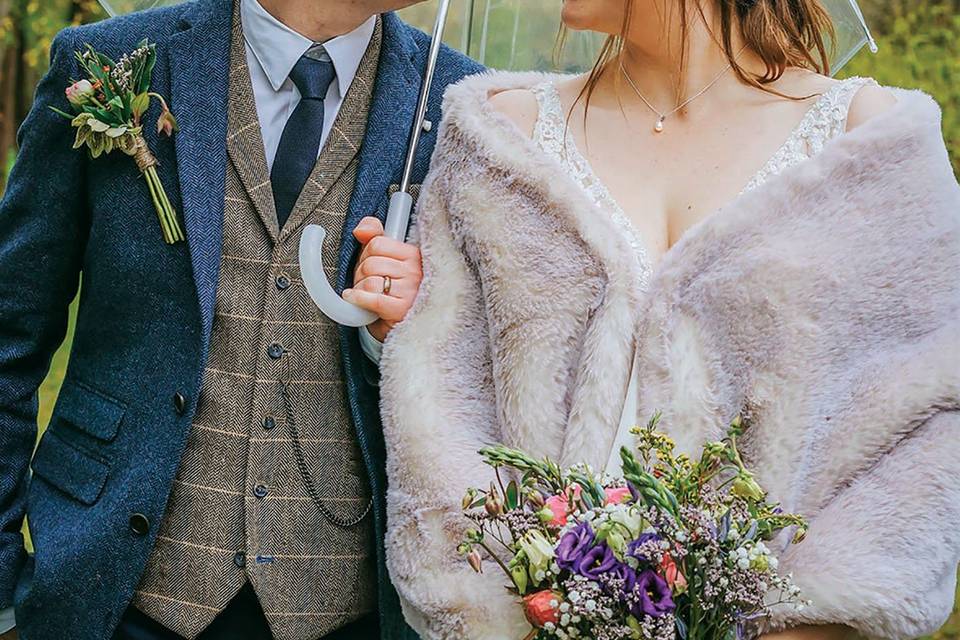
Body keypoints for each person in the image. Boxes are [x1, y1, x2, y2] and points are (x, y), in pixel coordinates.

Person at [378, 0, 960, 638]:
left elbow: (923, 423)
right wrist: (498, 616)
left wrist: (807, 623)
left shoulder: (872, 142)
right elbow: (441, 407)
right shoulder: (495, 136)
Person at [0, 0, 481, 638]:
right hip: (111, 590)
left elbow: (484, 384)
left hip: (347, 608)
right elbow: (10, 331)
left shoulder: (460, 105)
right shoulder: (110, 61)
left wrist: (414, 330)